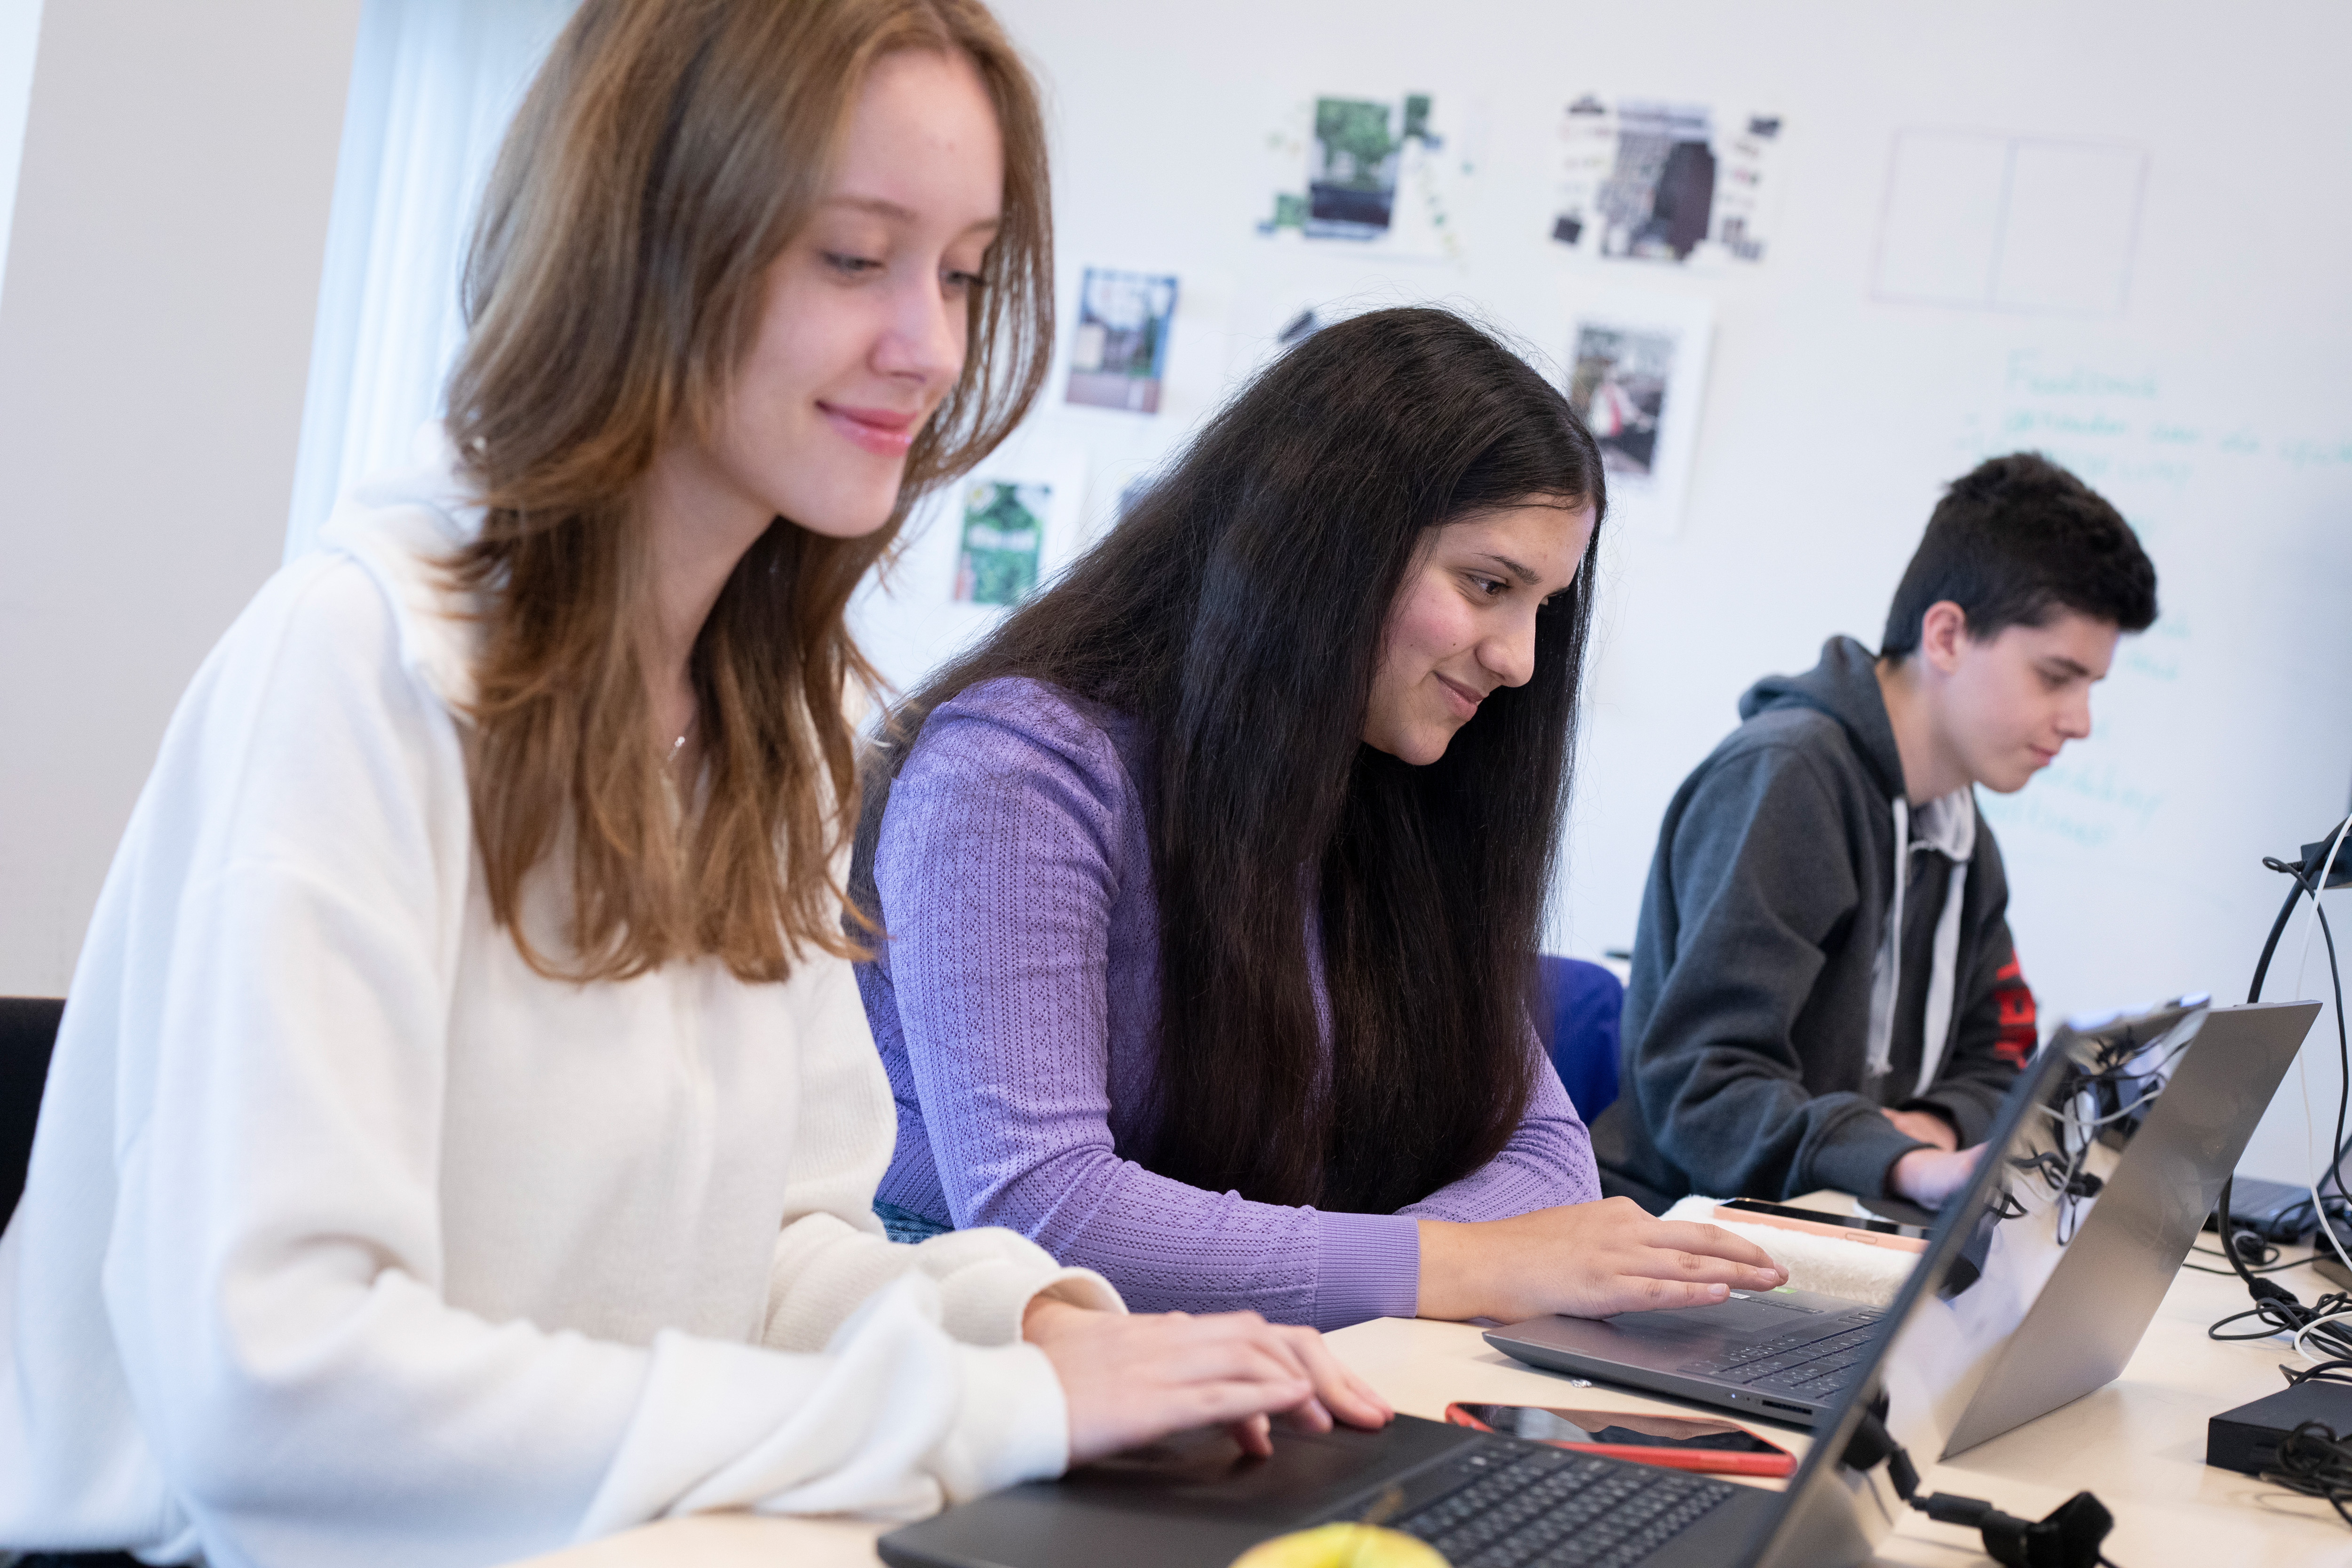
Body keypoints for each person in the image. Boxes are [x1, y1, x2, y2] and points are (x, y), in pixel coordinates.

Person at [0, 4, 1381, 1565]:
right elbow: (280, 1401)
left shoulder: (763, 724)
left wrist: (1041, 1325)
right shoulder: (361, 662)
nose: (928, 346)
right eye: (855, 258)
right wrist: (993, 1411)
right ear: (644, 249)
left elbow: (773, 1261)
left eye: (963, 272)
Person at [853, 307, 1787, 1332]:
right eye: (1487, 585)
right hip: (992, 1365)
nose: (1520, 659)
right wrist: (1457, 1265)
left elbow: (1544, 1156)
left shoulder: (1384, 771)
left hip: (1262, 1360)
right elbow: (1049, 1214)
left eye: (1542, 608)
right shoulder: (1014, 770)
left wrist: (1400, 1269)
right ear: (1330, 544)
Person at [1590, 452, 2160, 1213]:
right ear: (1949, 635)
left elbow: (2003, 1057)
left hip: (1840, 1239)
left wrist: (1928, 1129)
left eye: (2091, 687)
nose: (2080, 721)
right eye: (2056, 677)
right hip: (1686, 1237)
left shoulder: (1961, 831)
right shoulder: (1790, 780)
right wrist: (1900, 1162)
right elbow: (1702, 1086)